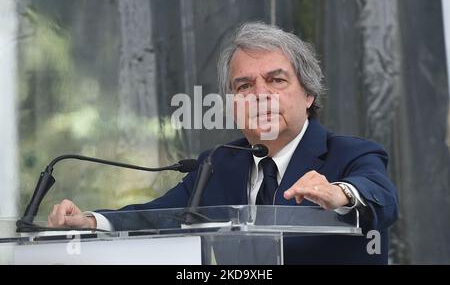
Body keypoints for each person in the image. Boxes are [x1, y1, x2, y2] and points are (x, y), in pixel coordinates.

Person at [48, 21, 398, 264]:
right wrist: (90, 222)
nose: (260, 95)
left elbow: (380, 198)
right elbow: (157, 216)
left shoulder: (353, 153)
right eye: (244, 86)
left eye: (276, 80)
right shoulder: (219, 163)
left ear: (308, 94)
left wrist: (341, 193)